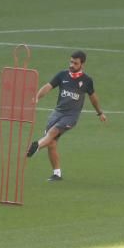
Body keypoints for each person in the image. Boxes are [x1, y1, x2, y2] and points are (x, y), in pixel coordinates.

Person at [26, 50, 106, 181]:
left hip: (71, 116)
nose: (72, 65)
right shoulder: (62, 75)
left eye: (75, 63)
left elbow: (93, 98)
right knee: (51, 143)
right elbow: (48, 86)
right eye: (71, 62)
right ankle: (57, 174)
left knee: (52, 133)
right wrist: (37, 97)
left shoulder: (86, 81)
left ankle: (36, 147)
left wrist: (100, 113)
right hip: (57, 113)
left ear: (82, 64)